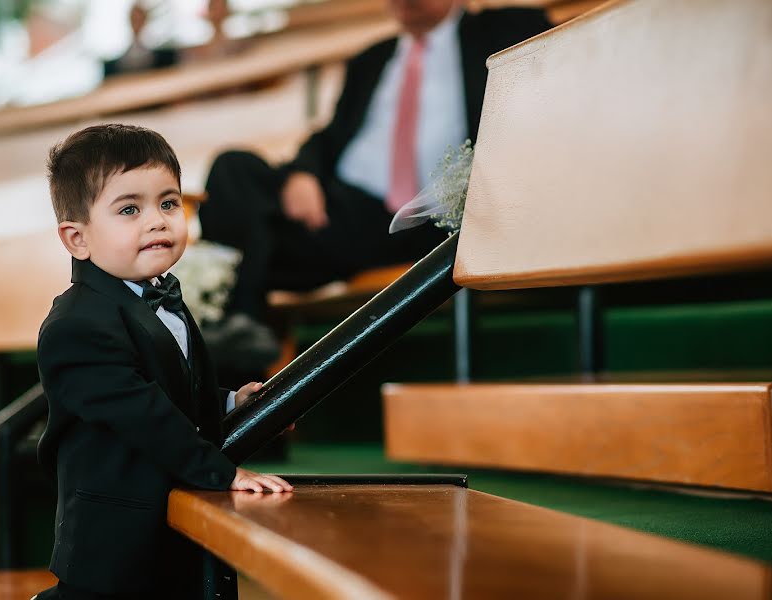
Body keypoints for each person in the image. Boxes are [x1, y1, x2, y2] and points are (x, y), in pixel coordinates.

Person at [199, 0, 552, 369]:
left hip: (429, 218)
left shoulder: (505, 31)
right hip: (340, 212)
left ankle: (236, 341)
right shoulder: (371, 60)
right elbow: (330, 137)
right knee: (233, 169)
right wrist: (301, 175)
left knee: (253, 247)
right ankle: (238, 331)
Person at [33, 124, 292, 600]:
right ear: (77, 239)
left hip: (171, 533)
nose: (157, 221)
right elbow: (144, 417)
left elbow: (171, 390)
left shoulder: (155, 298)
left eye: (168, 203)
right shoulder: (77, 325)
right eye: (130, 209)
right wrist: (225, 473)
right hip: (117, 546)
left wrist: (231, 400)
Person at [103, 3, 178, 79]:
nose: (137, 23)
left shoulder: (165, 56)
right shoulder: (112, 65)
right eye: (134, 19)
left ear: (145, 20)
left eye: (139, 19)